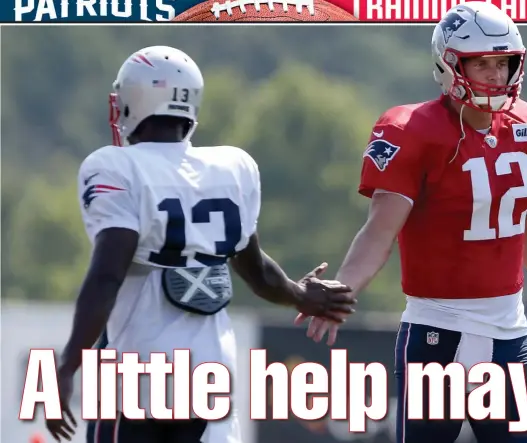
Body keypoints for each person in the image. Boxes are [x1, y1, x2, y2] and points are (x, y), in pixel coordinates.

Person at [295, 3, 527, 443]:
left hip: (509, 337)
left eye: (502, 62)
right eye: (481, 63)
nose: (494, 75)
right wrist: (344, 289)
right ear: (449, 65)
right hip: (437, 333)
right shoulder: (413, 129)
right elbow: (379, 230)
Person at [45, 45, 355, 443]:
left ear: (132, 101)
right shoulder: (232, 167)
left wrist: (68, 364)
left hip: (138, 377)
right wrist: (300, 295)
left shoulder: (115, 167)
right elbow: (256, 271)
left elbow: (108, 275)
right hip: (209, 381)